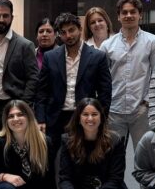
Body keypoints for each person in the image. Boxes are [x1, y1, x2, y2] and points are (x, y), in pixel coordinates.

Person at [101, 0, 155, 189]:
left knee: (147, 160)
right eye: (124, 12)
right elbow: (104, 79)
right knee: (111, 161)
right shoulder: (107, 45)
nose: (129, 15)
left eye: (132, 12)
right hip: (114, 111)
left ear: (140, 15)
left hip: (142, 111)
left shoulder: (153, 42)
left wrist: (148, 102)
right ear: (118, 16)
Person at [36, 12, 112, 165]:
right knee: (52, 161)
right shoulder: (51, 57)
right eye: (63, 32)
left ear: (80, 29)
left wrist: (100, 118)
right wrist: (40, 119)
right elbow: (42, 91)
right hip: (56, 117)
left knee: (84, 160)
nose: (68, 35)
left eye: (71, 30)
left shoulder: (98, 56)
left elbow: (105, 92)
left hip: (84, 116)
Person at [0, 0, 39, 146]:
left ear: (11, 17)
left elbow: (33, 78)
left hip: (13, 106)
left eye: (5, 16)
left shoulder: (25, 45)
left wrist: (23, 105)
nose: (1, 19)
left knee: (14, 147)